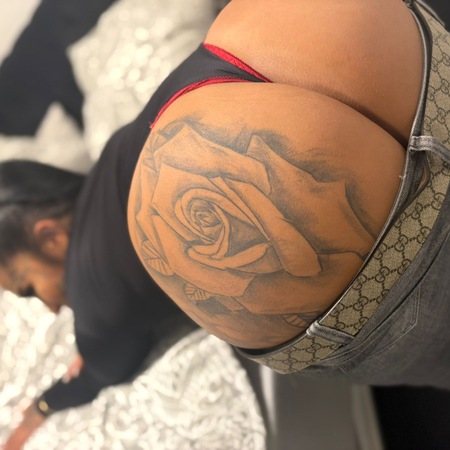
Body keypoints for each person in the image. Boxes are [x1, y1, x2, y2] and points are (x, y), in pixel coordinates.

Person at [126, 0, 450, 390]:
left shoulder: (89, 298)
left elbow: (109, 362)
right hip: (309, 29)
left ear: (57, 235)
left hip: (377, 283)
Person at [0, 159, 195, 450]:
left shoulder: (97, 292)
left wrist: (39, 408)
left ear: (51, 237)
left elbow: (101, 372)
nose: (52, 308)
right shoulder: (117, 157)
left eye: (30, 289)